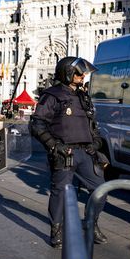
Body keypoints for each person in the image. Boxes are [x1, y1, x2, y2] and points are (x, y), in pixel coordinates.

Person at [30, 57, 109, 248]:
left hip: (86, 152)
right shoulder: (52, 95)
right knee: (60, 192)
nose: (83, 76)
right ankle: (56, 230)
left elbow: (92, 125)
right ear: (67, 73)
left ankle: (91, 223)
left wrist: (96, 142)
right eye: (79, 73)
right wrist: (54, 146)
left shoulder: (83, 96)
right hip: (65, 152)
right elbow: (37, 124)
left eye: (83, 74)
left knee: (100, 190)